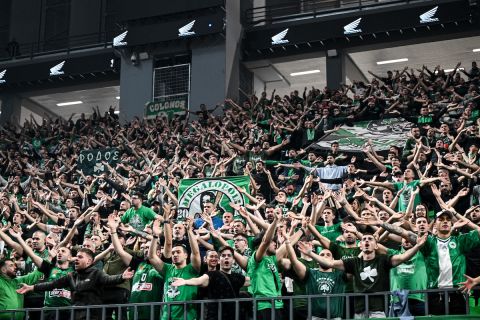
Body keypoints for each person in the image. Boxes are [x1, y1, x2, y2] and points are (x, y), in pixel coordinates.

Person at [304, 232, 427, 318]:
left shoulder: (383, 260)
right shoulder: (353, 262)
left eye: (370, 239)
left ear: (376, 245)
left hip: (378, 311)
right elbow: (330, 262)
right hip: (359, 310)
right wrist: (311, 253)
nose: (367, 241)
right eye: (364, 239)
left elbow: (403, 257)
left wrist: (418, 245)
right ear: (360, 245)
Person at [16, 248, 134, 320]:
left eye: (80, 257)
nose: (76, 259)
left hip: (93, 316)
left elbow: (109, 279)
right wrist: (32, 287)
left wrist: (122, 277)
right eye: (76, 257)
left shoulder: (96, 273)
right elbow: (52, 284)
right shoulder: (72, 276)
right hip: (75, 315)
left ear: (89, 261)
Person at [172, 246, 248, 320]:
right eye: (223, 256)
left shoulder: (238, 277)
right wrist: (185, 281)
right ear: (219, 260)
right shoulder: (212, 275)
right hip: (215, 316)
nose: (226, 257)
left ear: (233, 260)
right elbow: (199, 280)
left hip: (234, 316)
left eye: (229, 255)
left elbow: (253, 280)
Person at [147, 217, 201, 320]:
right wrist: (154, 236)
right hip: (166, 317)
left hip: (186, 316)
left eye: (178, 252)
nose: (175, 254)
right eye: (173, 253)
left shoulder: (192, 269)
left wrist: (189, 231)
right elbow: (152, 257)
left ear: (186, 255)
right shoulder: (167, 269)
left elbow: (196, 252)